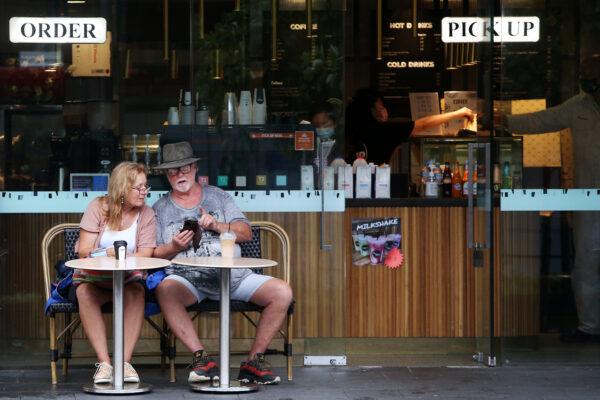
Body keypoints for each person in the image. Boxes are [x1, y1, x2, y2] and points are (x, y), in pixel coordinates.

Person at [152, 141, 293, 385]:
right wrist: (174, 246)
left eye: (184, 168)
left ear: (195, 168)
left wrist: (217, 225)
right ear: (166, 175)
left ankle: (253, 362)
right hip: (188, 280)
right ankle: (201, 358)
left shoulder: (218, 196)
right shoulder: (160, 208)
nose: (179, 174)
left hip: (234, 277)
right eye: (173, 170)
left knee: (282, 292)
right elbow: (153, 255)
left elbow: (246, 232)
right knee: (165, 289)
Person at [503, 54, 600, 342]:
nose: (583, 77)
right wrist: (504, 121)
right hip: (588, 199)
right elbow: (542, 120)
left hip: (588, 199)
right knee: (586, 263)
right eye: (582, 71)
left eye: (589, 72)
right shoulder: (578, 106)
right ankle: (590, 327)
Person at [73, 162, 156, 384]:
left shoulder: (146, 214)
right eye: (138, 188)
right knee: (84, 292)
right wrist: (105, 252)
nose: (144, 192)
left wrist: (122, 257)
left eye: (145, 187)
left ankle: (125, 363)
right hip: (96, 279)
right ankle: (105, 364)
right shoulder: (98, 207)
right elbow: (83, 249)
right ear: (122, 187)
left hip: (128, 279)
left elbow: (146, 254)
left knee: (137, 291)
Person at [345, 88, 476, 164]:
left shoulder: (350, 129)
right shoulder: (384, 130)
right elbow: (424, 124)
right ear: (372, 109)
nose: (383, 109)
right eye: (380, 105)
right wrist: (459, 113)